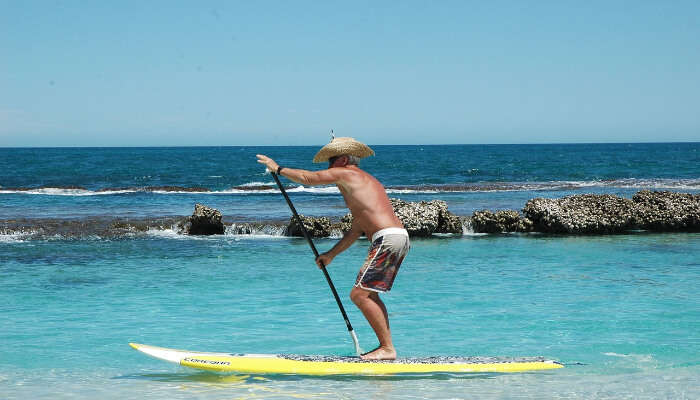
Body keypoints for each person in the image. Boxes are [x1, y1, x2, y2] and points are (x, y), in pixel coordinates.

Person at [256, 137, 409, 360]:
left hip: (387, 239)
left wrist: (277, 168)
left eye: (331, 162)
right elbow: (356, 230)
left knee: (360, 295)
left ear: (344, 160)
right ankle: (386, 347)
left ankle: (387, 348)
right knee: (367, 295)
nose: (328, 169)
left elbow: (310, 178)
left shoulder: (348, 173)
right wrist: (330, 255)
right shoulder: (365, 183)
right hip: (394, 238)